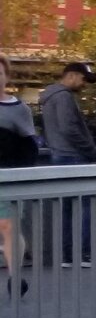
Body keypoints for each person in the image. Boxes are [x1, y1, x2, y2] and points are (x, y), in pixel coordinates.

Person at [37, 62, 96, 265]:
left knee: (65, 209)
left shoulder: (49, 97)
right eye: (83, 80)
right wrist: (89, 147)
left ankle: (66, 254)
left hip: (58, 156)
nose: (84, 85)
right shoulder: (64, 97)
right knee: (86, 206)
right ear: (71, 76)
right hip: (74, 156)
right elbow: (69, 128)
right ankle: (85, 254)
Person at [0, 57, 35, 294]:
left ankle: (15, 276)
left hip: (8, 177)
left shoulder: (18, 109)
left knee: (9, 226)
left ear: (7, 77)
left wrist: (22, 175)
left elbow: (29, 146)